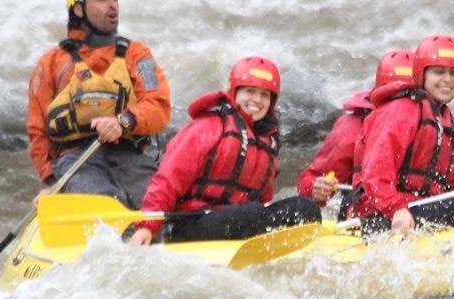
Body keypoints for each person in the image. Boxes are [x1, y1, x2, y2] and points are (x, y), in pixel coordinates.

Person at [129, 57, 322, 246]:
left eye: (264, 95)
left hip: (239, 221)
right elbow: (168, 180)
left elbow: (264, 198)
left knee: (305, 208)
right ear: (234, 92)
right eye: (250, 91)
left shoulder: (267, 141)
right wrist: (147, 227)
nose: (257, 100)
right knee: (250, 213)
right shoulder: (207, 126)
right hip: (192, 224)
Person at [27, 0, 171, 209]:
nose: (112, 5)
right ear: (79, 9)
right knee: (106, 201)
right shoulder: (50, 63)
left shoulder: (138, 55)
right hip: (75, 160)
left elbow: (158, 104)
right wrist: (50, 181)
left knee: (157, 202)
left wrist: (123, 122)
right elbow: (38, 129)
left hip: (129, 154)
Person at [351, 35, 454, 235]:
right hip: (385, 214)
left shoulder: (443, 119)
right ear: (421, 74)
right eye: (439, 72)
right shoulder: (400, 111)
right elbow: (375, 175)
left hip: (420, 206)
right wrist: (396, 208)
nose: (447, 80)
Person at [297, 50, 414, 213]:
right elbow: (309, 180)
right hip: (369, 212)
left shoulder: (435, 123)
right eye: (395, 96)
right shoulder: (353, 126)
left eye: (410, 96)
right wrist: (316, 188)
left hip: (417, 205)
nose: (400, 105)